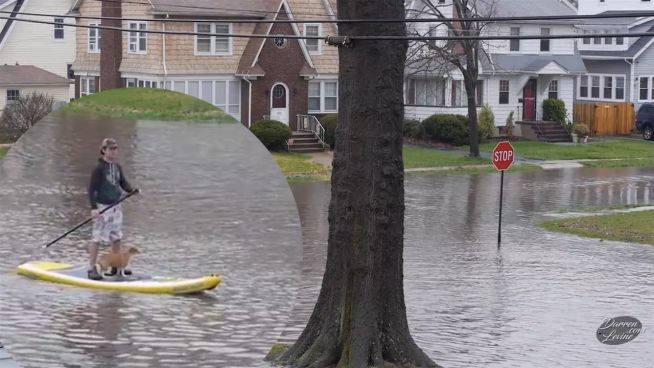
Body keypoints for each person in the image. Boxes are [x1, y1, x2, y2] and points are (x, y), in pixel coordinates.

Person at [87, 138, 139, 280]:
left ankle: (115, 267)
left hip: (116, 206)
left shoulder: (117, 166)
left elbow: (122, 183)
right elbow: (91, 189)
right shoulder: (98, 168)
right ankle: (91, 268)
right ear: (104, 150)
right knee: (97, 237)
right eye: (111, 149)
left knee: (116, 236)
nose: (114, 151)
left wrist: (132, 190)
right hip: (103, 207)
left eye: (115, 148)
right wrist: (93, 208)